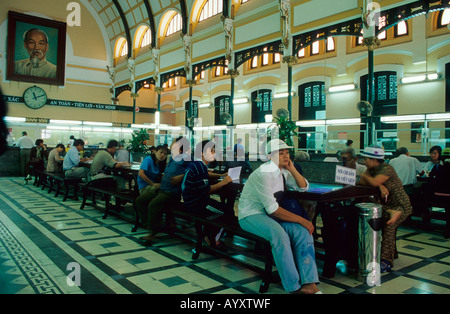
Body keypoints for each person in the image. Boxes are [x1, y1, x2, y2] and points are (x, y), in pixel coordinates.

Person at [238, 139, 321, 294]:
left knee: (303, 232)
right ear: (270, 156)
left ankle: (309, 283)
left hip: (269, 216)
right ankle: (294, 287)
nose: (285, 156)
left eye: (287, 152)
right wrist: (303, 220)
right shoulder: (264, 173)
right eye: (280, 153)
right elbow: (273, 209)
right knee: (280, 236)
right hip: (251, 215)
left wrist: (292, 169)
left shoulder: (283, 171)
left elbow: (303, 187)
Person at [358, 145, 412, 273]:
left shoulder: (387, 168)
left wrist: (364, 175)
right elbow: (362, 182)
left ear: (374, 159)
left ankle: (386, 261)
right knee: (370, 208)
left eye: (366, 159)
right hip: (387, 206)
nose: (364, 162)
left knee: (389, 226)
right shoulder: (371, 170)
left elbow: (373, 182)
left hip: (401, 206)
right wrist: (380, 185)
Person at [181, 140, 233, 247]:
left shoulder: (197, 165)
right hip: (197, 204)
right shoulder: (199, 167)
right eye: (211, 151)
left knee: (219, 207)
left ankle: (207, 232)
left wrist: (221, 175)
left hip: (191, 202)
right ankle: (212, 239)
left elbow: (206, 175)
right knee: (228, 212)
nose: (214, 153)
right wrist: (224, 182)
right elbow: (207, 190)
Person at [139, 137, 191, 243]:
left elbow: (193, 170)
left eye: (173, 143)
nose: (171, 145)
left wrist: (180, 176)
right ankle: (150, 224)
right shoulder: (173, 157)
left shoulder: (186, 158)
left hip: (171, 192)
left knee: (153, 205)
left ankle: (152, 232)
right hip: (163, 188)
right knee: (140, 200)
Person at [135, 145, 168, 222]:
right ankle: (150, 221)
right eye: (161, 152)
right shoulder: (148, 159)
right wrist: (152, 184)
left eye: (165, 154)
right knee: (161, 194)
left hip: (154, 186)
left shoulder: (161, 164)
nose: (163, 155)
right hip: (144, 187)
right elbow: (141, 174)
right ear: (155, 152)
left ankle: (157, 219)